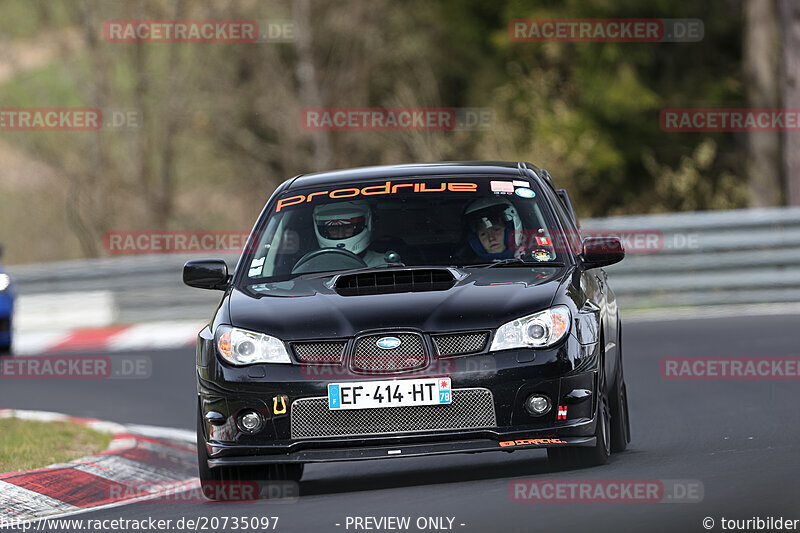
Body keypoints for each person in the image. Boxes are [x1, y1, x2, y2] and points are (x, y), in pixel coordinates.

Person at [312, 201, 386, 266]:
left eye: (348, 228)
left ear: (368, 224)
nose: (341, 234)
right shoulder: (315, 267)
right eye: (333, 229)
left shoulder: (384, 264)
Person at [462, 197, 523, 261]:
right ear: (477, 241)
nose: (491, 238)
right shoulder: (467, 268)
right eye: (483, 234)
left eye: (496, 230)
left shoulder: (529, 260)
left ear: (509, 231)